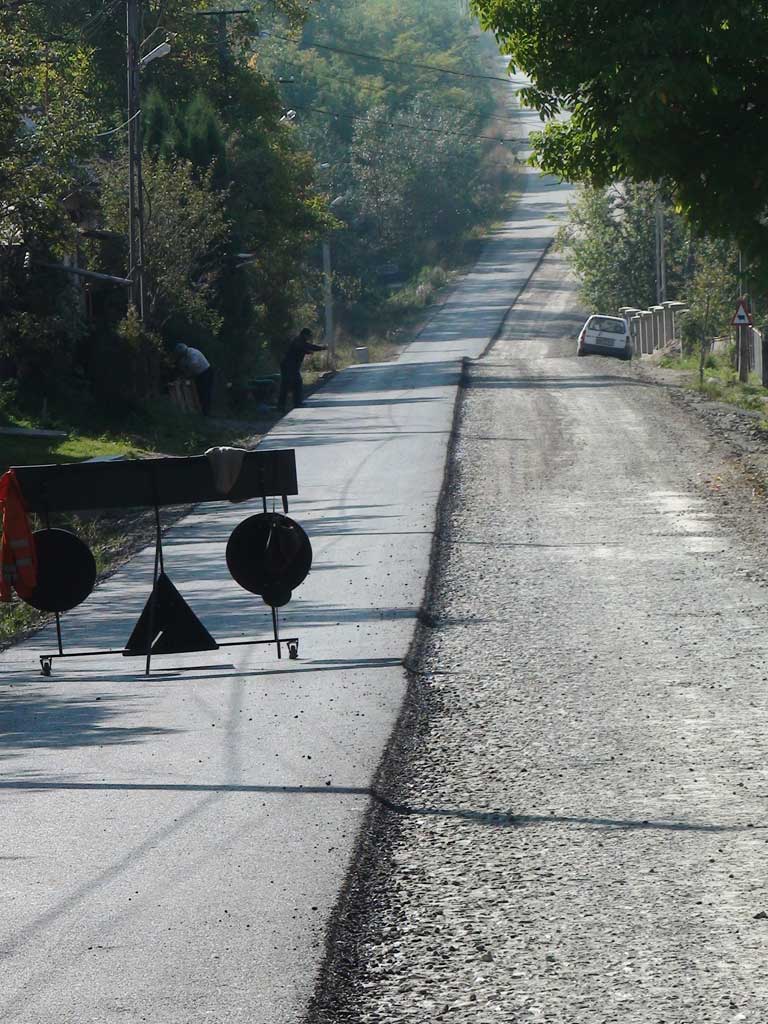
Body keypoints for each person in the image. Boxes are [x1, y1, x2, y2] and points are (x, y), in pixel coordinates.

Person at [278, 328, 326, 412]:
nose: (309, 338)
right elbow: (306, 346)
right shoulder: (299, 340)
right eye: (309, 336)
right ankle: (290, 404)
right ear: (304, 334)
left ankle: (288, 405)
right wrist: (321, 348)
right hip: (288, 366)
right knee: (292, 384)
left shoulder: (300, 341)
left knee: (291, 384)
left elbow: (304, 348)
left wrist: (307, 351)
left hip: (290, 366)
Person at [175, 343, 214, 416]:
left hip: (205, 372)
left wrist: (188, 375)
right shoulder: (183, 357)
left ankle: (207, 412)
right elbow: (183, 367)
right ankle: (200, 410)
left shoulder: (193, 353)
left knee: (205, 391)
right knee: (199, 391)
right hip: (198, 374)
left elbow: (194, 366)